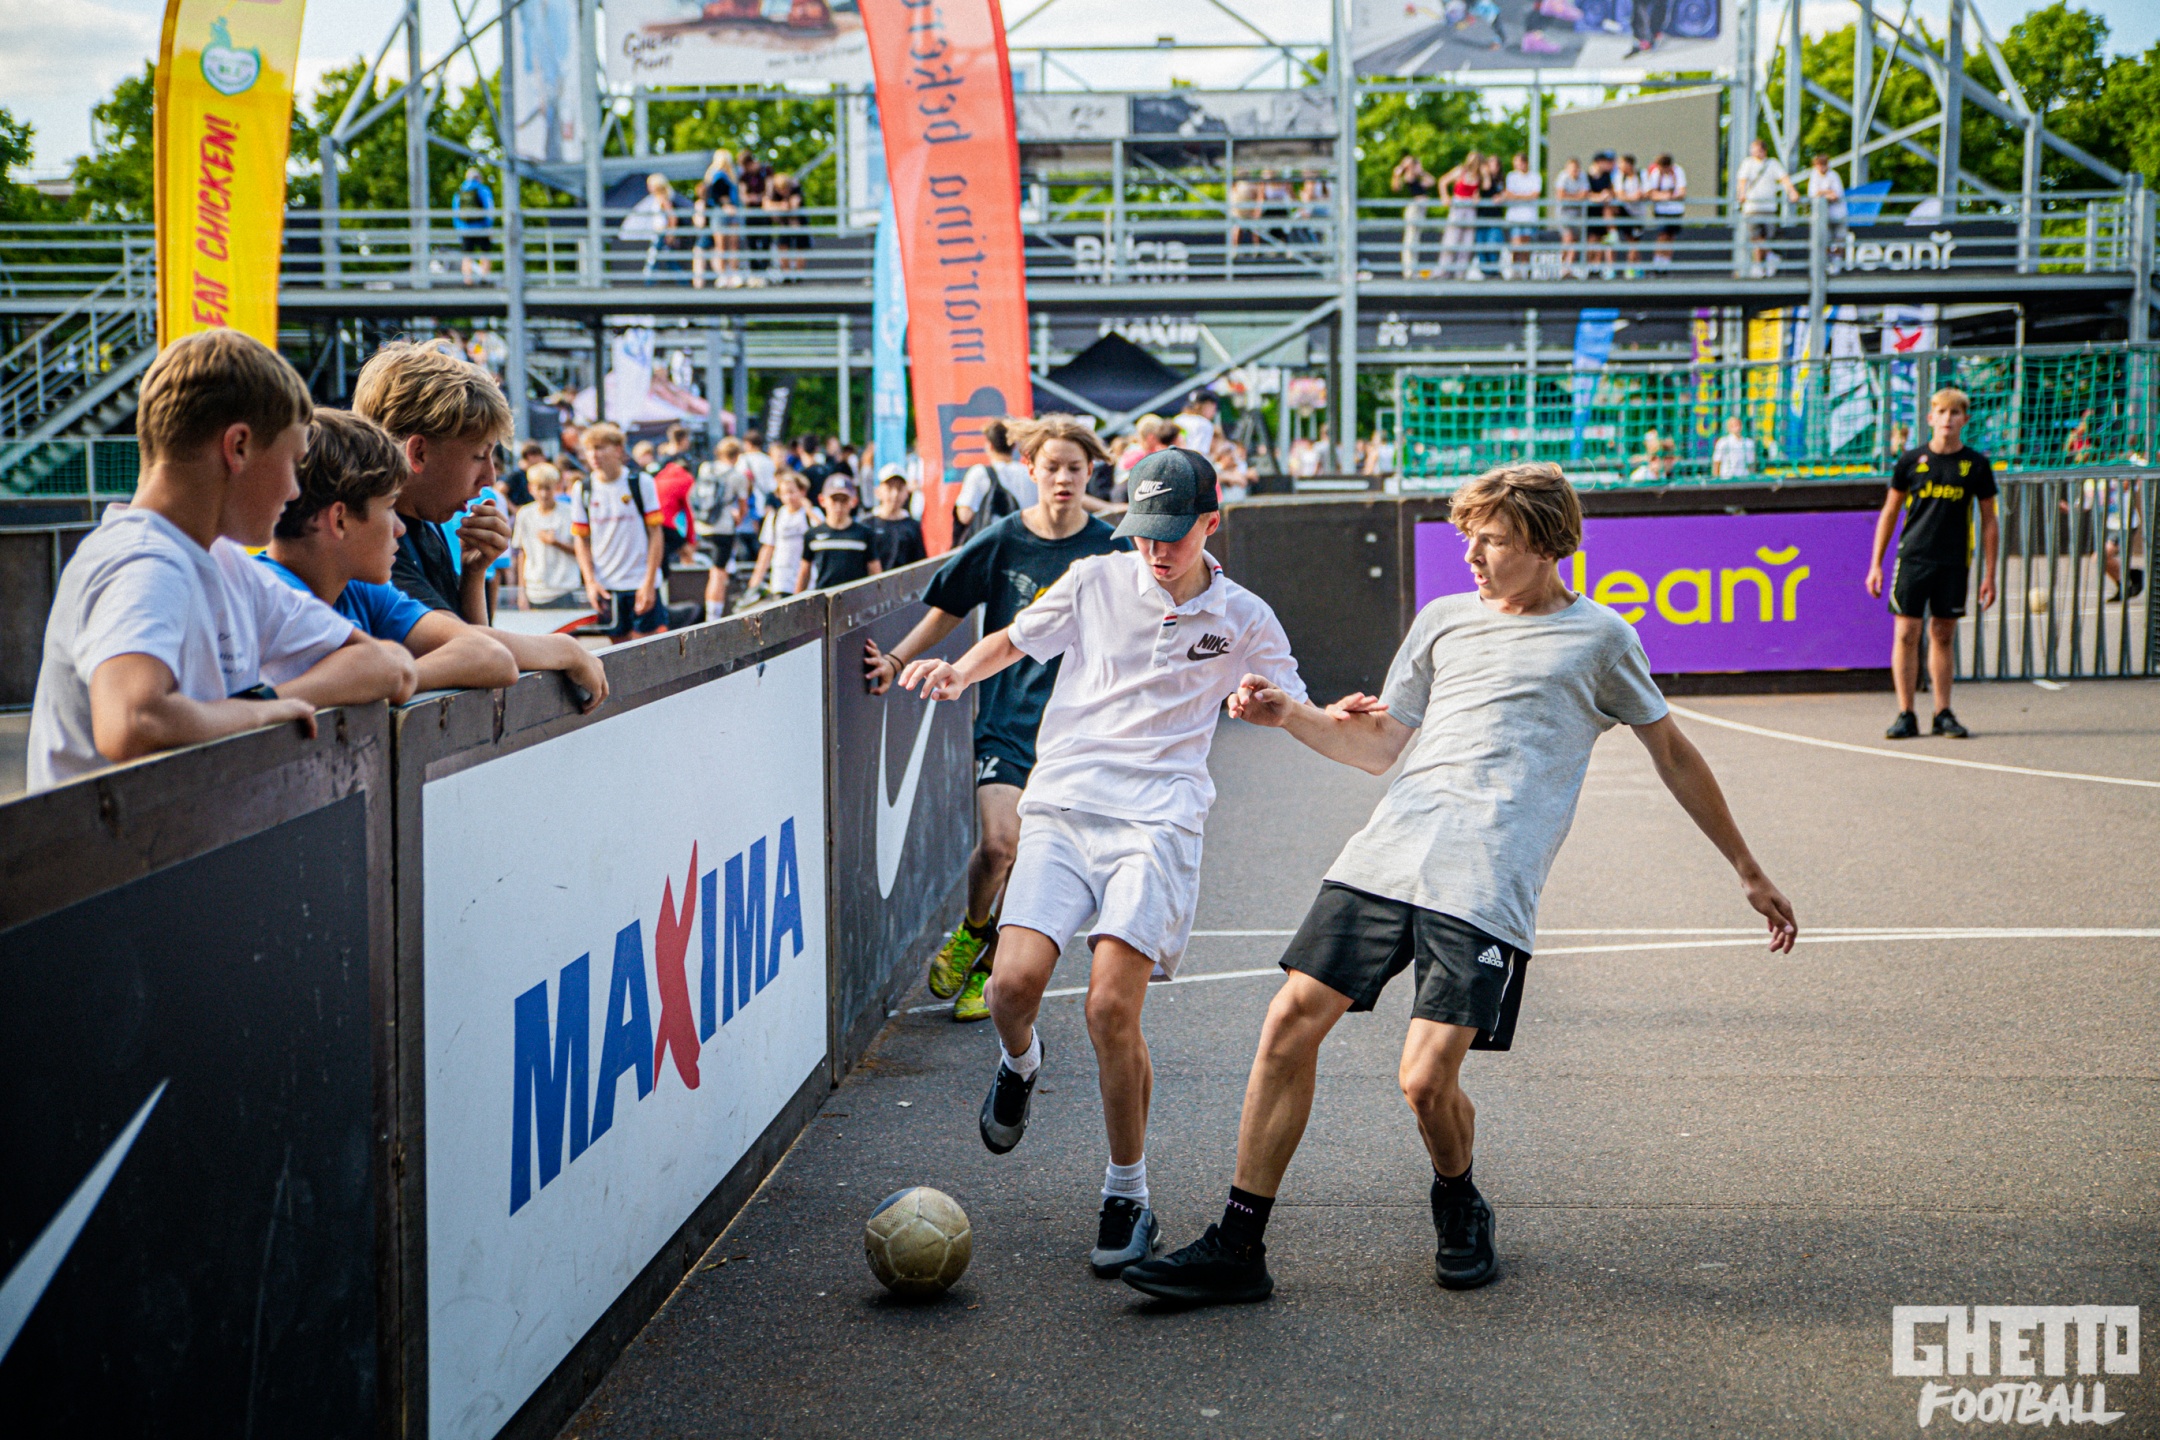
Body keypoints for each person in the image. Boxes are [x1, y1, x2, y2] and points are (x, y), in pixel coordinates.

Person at [1121, 461, 1797, 1306]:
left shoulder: (1601, 640)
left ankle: (1458, 1196)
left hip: (1485, 880)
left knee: (1424, 1081)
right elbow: (1376, 745)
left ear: (1548, 546)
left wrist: (1747, 869)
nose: (1473, 556)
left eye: (1495, 541)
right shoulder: (1443, 621)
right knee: (1289, 1020)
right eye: (1469, 539)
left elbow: (1674, 755)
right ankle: (1238, 1244)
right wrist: (1288, 714)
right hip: (1386, 855)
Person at [896, 445, 1306, 1276]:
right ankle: (1021, 1062)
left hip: (1157, 823)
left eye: (1173, 534)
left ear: (1211, 523)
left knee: (1111, 1008)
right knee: (1009, 988)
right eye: (1144, 531)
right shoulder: (1093, 579)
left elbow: (1288, 699)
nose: (1155, 549)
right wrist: (955, 671)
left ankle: (1128, 1194)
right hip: (1064, 806)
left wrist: (1280, 706)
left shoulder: (1244, 615)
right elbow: (1011, 640)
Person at [28, 331, 418, 791]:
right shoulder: (144, 562)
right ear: (238, 447)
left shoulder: (227, 565)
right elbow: (132, 722)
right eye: (292, 462)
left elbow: (391, 666)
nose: (294, 490)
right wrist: (259, 714)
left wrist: (268, 701)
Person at [862, 417, 1127, 1025]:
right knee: (999, 845)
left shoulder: (1112, 547)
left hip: (1076, 732)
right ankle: (973, 929)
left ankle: (988, 966)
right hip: (1006, 718)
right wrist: (897, 660)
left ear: (1090, 473)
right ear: (1029, 468)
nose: (1063, 478)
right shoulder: (1004, 538)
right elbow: (948, 607)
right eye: (1052, 467)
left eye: (1075, 468)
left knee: (1031, 858)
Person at [262, 409, 522, 695]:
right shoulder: (268, 597)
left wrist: (399, 675)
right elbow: (380, 663)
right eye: (389, 507)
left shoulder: (358, 590)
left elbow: (492, 655)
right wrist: (388, 673)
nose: (399, 528)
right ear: (339, 520)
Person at [1866, 387, 1999, 740]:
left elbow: (1989, 521)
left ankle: (1943, 711)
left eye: (1954, 413)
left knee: (1942, 633)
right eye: (1941, 412)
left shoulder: (1976, 464)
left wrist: (1990, 574)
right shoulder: (1911, 461)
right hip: (1913, 558)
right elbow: (1890, 512)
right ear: (1930, 418)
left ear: (1965, 420)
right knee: (1906, 633)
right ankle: (1906, 712)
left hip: (1953, 560)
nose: (1947, 419)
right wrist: (1876, 563)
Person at [572, 422, 671, 640]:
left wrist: (649, 582)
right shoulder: (583, 489)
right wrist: (590, 582)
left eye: (600, 447)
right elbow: (581, 539)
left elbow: (656, 533)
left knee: (646, 648)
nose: (594, 455)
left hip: (639, 581)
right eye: (589, 449)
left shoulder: (640, 482)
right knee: (618, 649)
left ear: (618, 449)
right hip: (607, 586)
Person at [513, 463, 587, 610]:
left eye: (547, 488)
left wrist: (556, 543)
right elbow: (522, 554)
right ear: (530, 488)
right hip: (535, 591)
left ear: (556, 487)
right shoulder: (524, 514)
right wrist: (522, 592)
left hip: (565, 590)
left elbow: (583, 550)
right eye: (539, 488)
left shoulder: (570, 512)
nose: (543, 494)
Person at [798, 477, 882, 591]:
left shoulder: (864, 534)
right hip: (824, 597)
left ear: (853, 501)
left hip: (857, 596)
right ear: (822, 500)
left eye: (843, 500)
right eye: (834, 500)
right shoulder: (813, 535)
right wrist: (798, 597)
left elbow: (875, 571)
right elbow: (804, 572)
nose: (838, 506)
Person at [954, 419, 1037, 536]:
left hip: (993, 541)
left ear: (990, 446)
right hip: (1026, 538)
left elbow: (965, 516)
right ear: (1013, 446)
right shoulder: (1030, 473)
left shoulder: (979, 474)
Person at [744, 471, 814, 602]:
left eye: (792, 492)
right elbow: (767, 548)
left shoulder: (810, 514)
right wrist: (756, 579)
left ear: (802, 491)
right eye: (784, 493)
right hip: (781, 578)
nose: (789, 497)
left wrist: (810, 511)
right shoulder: (775, 516)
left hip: (806, 577)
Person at [1737, 139, 1798, 277]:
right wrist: (1741, 193)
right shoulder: (1747, 163)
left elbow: (1784, 179)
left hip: (1769, 207)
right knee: (1755, 237)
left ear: (1764, 150)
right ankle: (1768, 258)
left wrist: (1792, 192)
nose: (1754, 153)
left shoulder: (1772, 163)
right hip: (1752, 207)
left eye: (1757, 150)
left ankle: (1761, 264)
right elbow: (1742, 181)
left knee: (1765, 237)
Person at [692, 148, 740, 290]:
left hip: (726, 213)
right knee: (725, 246)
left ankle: (727, 276)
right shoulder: (720, 176)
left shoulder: (718, 175)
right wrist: (726, 204)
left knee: (727, 246)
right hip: (724, 212)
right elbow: (718, 195)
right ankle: (727, 275)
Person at [867, 463, 927, 570]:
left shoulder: (913, 526)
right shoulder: (867, 525)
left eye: (899, 489)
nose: (895, 494)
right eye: (889, 488)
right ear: (878, 491)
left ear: (906, 493)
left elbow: (920, 564)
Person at [1392, 154, 1437, 280]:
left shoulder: (1418, 177)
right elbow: (1396, 187)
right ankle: (1409, 270)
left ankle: (1413, 269)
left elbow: (1432, 181)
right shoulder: (1407, 176)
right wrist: (1398, 173)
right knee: (1410, 239)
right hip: (1414, 208)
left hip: (1421, 209)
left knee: (1415, 239)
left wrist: (1421, 172)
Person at [1438, 152, 1482, 280]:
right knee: (1451, 240)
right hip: (1458, 207)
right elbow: (1443, 181)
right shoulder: (1460, 171)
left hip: (1470, 210)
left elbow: (1479, 191)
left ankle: (1460, 273)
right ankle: (1444, 272)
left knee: (1467, 242)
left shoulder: (1479, 176)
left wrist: (1477, 197)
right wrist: (1445, 196)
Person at [1645, 152, 1687, 273]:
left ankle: (1666, 264)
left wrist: (1668, 196)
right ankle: (1657, 263)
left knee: (1671, 237)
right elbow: (1651, 193)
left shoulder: (1678, 172)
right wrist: (1666, 196)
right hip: (1661, 210)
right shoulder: (1656, 173)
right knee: (1662, 236)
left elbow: (1682, 192)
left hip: (1676, 211)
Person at [1805, 153, 1849, 271]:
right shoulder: (1814, 176)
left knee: (1840, 239)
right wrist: (1828, 192)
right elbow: (1813, 195)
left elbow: (1836, 195)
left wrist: (1822, 192)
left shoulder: (1834, 175)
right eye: (1819, 165)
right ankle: (1827, 264)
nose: (1821, 168)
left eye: (1823, 165)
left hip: (1839, 215)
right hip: (1822, 217)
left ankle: (1837, 262)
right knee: (1824, 241)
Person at [1502, 153, 1541, 280]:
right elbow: (1509, 194)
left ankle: (1526, 271)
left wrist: (1517, 196)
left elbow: (1535, 195)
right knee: (1516, 245)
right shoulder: (1511, 176)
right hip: (1515, 217)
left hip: (1529, 217)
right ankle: (1515, 270)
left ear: (1525, 163)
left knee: (1526, 246)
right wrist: (1526, 196)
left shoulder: (1534, 176)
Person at [454, 167, 495, 286]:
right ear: (479, 178)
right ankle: (484, 278)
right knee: (485, 252)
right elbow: (489, 210)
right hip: (482, 228)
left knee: (467, 255)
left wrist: (459, 229)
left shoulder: (459, 193)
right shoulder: (483, 190)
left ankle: (467, 280)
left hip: (465, 229)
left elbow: (456, 213)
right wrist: (489, 227)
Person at [1584, 152, 1616, 279]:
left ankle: (1597, 267)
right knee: (1592, 240)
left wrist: (1607, 195)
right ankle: (1589, 267)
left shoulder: (1606, 176)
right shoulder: (1587, 176)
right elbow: (1587, 194)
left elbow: (1611, 191)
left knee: (1602, 240)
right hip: (1591, 213)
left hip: (1603, 213)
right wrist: (1600, 197)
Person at [1555, 158, 1589, 278]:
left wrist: (1569, 197)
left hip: (1577, 216)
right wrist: (1577, 197)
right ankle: (1562, 266)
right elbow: (1560, 195)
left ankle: (1568, 267)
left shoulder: (1583, 177)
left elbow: (1584, 194)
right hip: (1564, 214)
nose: (1575, 172)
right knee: (1567, 238)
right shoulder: (1562, 177)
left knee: (1574, 241)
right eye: (1572, 169)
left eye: (1576, 169)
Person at [1612, 153, 1646, 275]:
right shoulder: (1619, 176)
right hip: (1626, 213)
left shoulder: (1642, 175)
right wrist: (1633, 198)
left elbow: (1647, 192)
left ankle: (1634, 267)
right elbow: (1620, 195)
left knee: (1635, 241)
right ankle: (1632, 267)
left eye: (1621, 163)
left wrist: (1639, 196)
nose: (1619, 166)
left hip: (1639, 215)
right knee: (1631, 241)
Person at [1175, 391, 1219, 457]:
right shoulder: (1205, 424)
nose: (1214, 412)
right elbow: (1198, 453)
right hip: (1189, 460)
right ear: (1206, 406)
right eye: (1213, 408)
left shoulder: (1178, 419)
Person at [1711, 416, 1756, 480]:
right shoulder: (1723, 442)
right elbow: (1716, 462)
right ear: (1728, 428)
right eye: (1732, 425)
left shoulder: (1748, 443)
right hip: (1726, 478)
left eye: (1737, 424)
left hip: (1743, 478)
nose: (1736, 427)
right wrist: (1716, 479)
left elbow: (1751, 464)